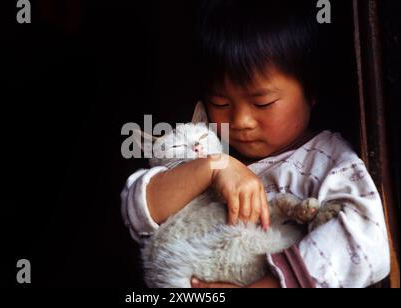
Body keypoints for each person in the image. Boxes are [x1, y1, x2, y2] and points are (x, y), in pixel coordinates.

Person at [120, 0, 390, 288]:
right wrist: (214, 167)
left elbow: (366, 241)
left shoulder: (326, 160)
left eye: (262, 103)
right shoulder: (205, 152)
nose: (241, 120)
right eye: (220, 103)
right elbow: (137, 212)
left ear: (311, 92)